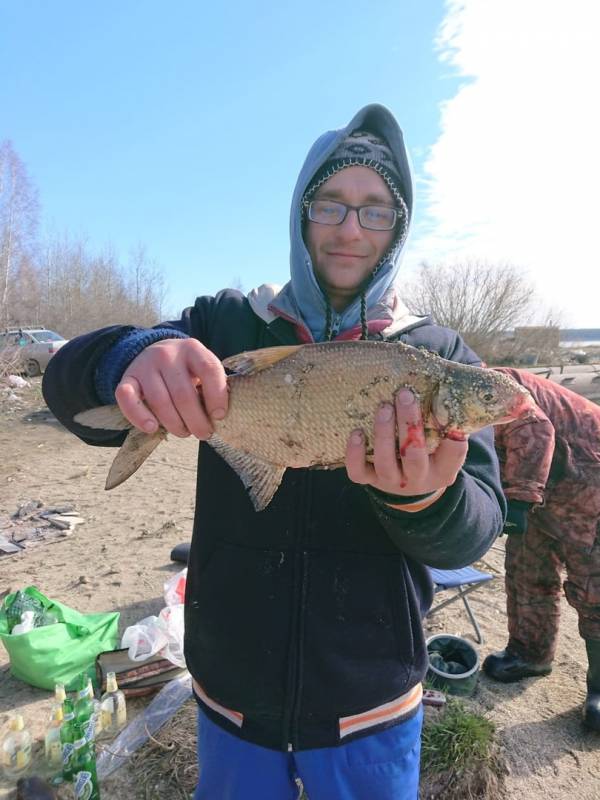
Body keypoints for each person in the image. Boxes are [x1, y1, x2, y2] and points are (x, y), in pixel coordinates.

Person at [43, 104, 506, 800]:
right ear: (300, 212)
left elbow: (479, 525)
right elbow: (67, 392)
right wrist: (131, 360)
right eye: (332, 204)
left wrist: (426, 498)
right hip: (231, 698)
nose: (352, 228)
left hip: (373, 706)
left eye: (376, 210)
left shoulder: (436, 356)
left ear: (400, 226)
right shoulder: (223, 324)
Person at [483, 367, 600, 732]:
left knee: (592, 585)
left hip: (588, 473)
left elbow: (535, 430)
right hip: (540, 487)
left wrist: (517, 499)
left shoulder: (489, 386)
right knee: (527, 569)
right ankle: (530, 653)